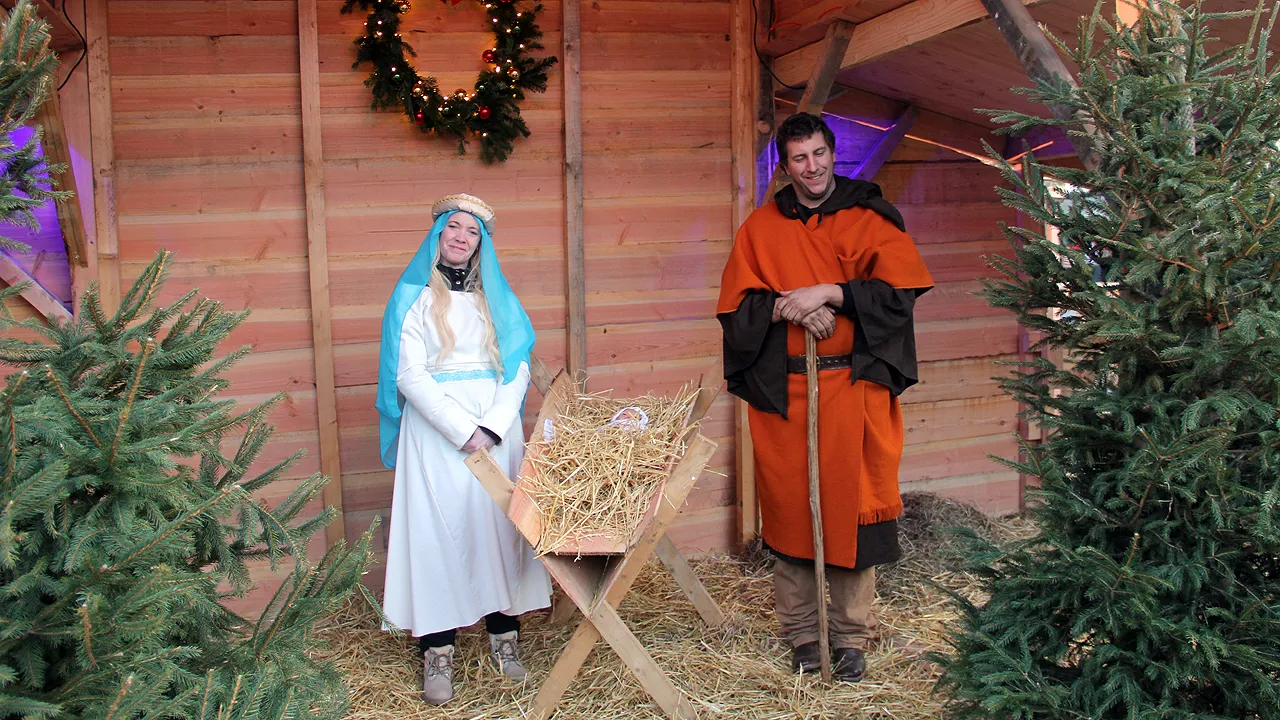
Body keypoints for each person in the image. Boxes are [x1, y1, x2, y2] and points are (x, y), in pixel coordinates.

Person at [717, 113, 934, 682]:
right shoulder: (760, 229)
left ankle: (851, 636)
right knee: (791, 514)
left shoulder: (871, 217)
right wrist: (788, 306)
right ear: (784, 166)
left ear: (832, 153)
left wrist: (831, 292)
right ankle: (803, 635)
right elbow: (737, 311)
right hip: (786, 393)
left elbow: (898, 296)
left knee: (854, 509)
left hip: (854, 389)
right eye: (798, 159)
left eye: (818, 154)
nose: (810, 167)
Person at [375, 194, 552, 705]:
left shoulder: (497, 298)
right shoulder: (412, 297)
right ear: (437, 234)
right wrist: (462, 431)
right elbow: (407, 374)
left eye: (471, 231)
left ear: (481, 243)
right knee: (438, 532)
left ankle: (505, 637)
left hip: (496, 427)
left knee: (496, 528)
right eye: (452, 227)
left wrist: (494, 427)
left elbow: (517, 365)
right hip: (437, 432)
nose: (460, 236)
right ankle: (437, 649)